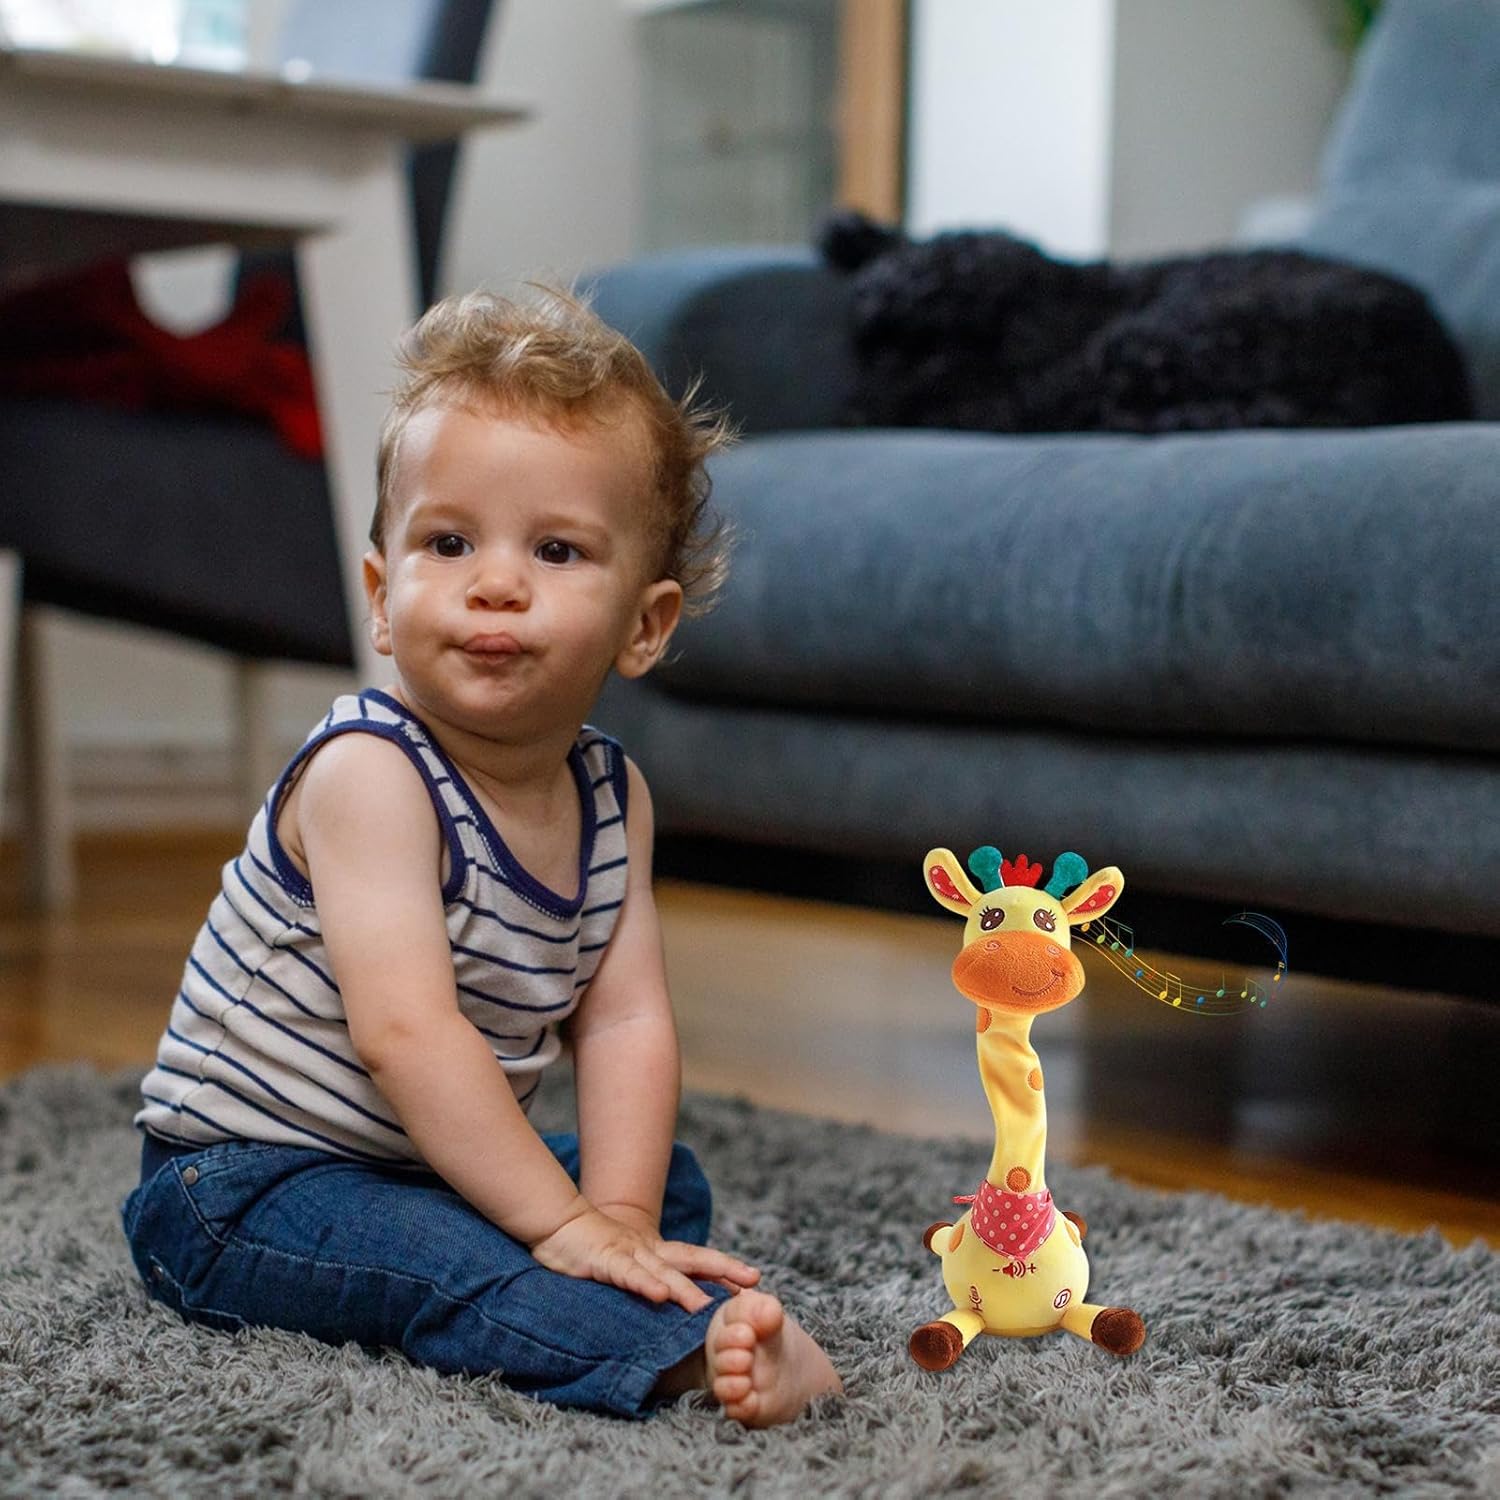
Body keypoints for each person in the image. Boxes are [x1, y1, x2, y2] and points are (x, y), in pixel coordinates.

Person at [120, 288, 843, 1426]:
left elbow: (625, 1022)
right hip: (238, 1183)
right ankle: (683, 1352)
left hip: (416, 1157)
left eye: (555, 550)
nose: (495, 581)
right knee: (463, 1260)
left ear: (644, 625)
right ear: (382, 597)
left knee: (662, 1180)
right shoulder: (371, 772)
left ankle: (612, 1283)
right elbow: (405, 1035)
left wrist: (615, 1216)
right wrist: (563, 1225)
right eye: (448, 542)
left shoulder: (612, 795)